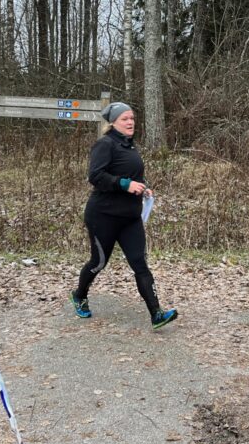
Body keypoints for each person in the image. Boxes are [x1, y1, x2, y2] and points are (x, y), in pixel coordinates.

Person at [70, 102, 178, 330]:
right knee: (99, 262)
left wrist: (143, 187)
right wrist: (125, 184)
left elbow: (131, 174)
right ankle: (79, 295)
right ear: (113, 123)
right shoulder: (105, 144)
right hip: (103, 216)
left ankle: (156, 314)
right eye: (125, 119)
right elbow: (96, 176)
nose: (130, 122)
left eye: (132, 118)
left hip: (130, 218)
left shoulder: (129, 145)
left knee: (140, 264)